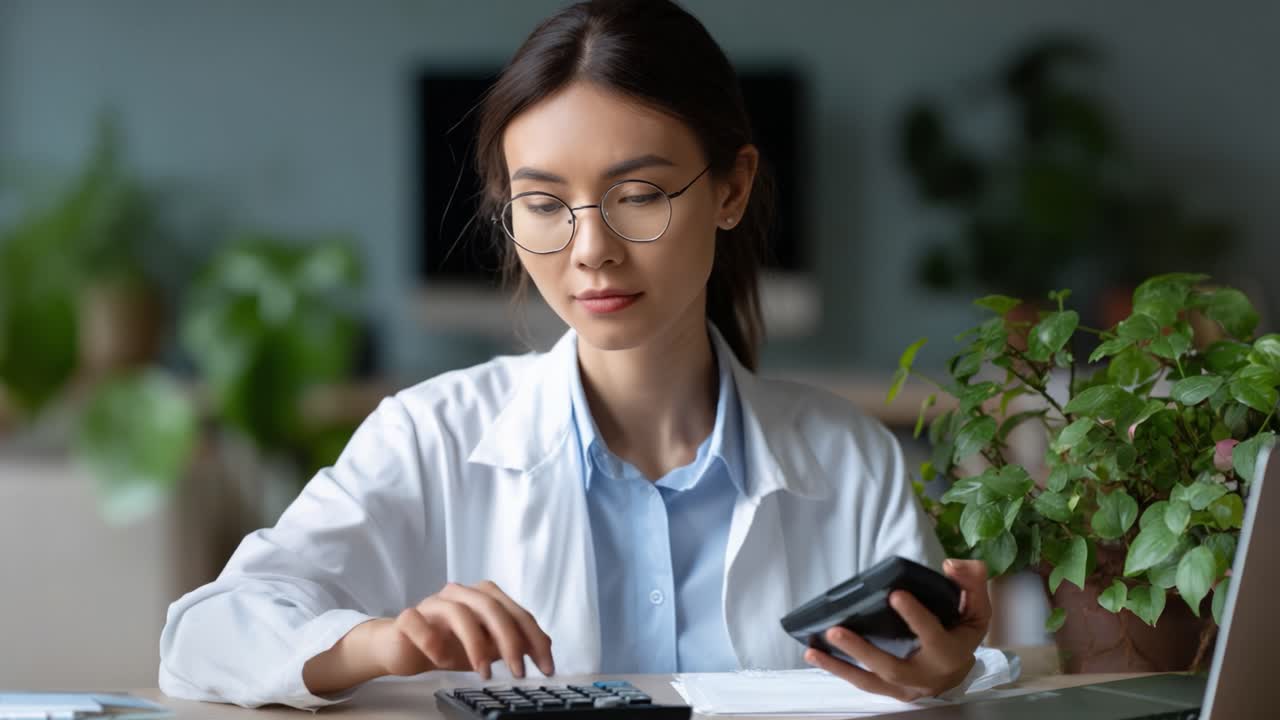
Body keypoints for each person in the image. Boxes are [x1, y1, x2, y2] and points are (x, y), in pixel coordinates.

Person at [158, 0, 995, 710]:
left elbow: (915, 682)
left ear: (731, 189)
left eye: (637, 195)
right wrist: (377, 643)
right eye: (543, 204)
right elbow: (204, 634)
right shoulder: (430, 436)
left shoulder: (849, 462)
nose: (590, 249)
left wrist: (941, 683)